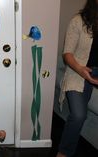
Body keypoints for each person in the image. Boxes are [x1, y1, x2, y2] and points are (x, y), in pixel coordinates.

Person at [57, 0, 98, 156]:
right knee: (79, 115)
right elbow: (67, 54)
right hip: (78, 73)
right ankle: (63, 153)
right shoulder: (78, 21)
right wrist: (81, 70)